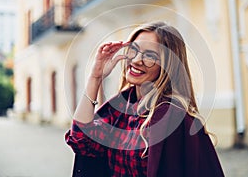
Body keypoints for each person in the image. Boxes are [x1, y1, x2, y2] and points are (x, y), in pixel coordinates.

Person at [65, 21, 224, 177]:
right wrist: (95, 77)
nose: (136, 60)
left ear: (167, 66)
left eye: (150, 56)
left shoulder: (173, 117)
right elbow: (81, 140)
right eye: (133, 50)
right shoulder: (122, 109)